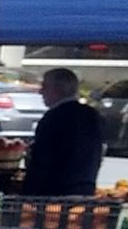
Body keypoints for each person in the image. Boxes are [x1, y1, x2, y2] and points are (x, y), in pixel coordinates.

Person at [22, 66, 107, 196]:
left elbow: (41, 162)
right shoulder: (92, 115)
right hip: (86, 189)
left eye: (45, 87)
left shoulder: (53, 118)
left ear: (56, 90)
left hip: (55, 194)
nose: (41, 92)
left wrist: (27, 194)